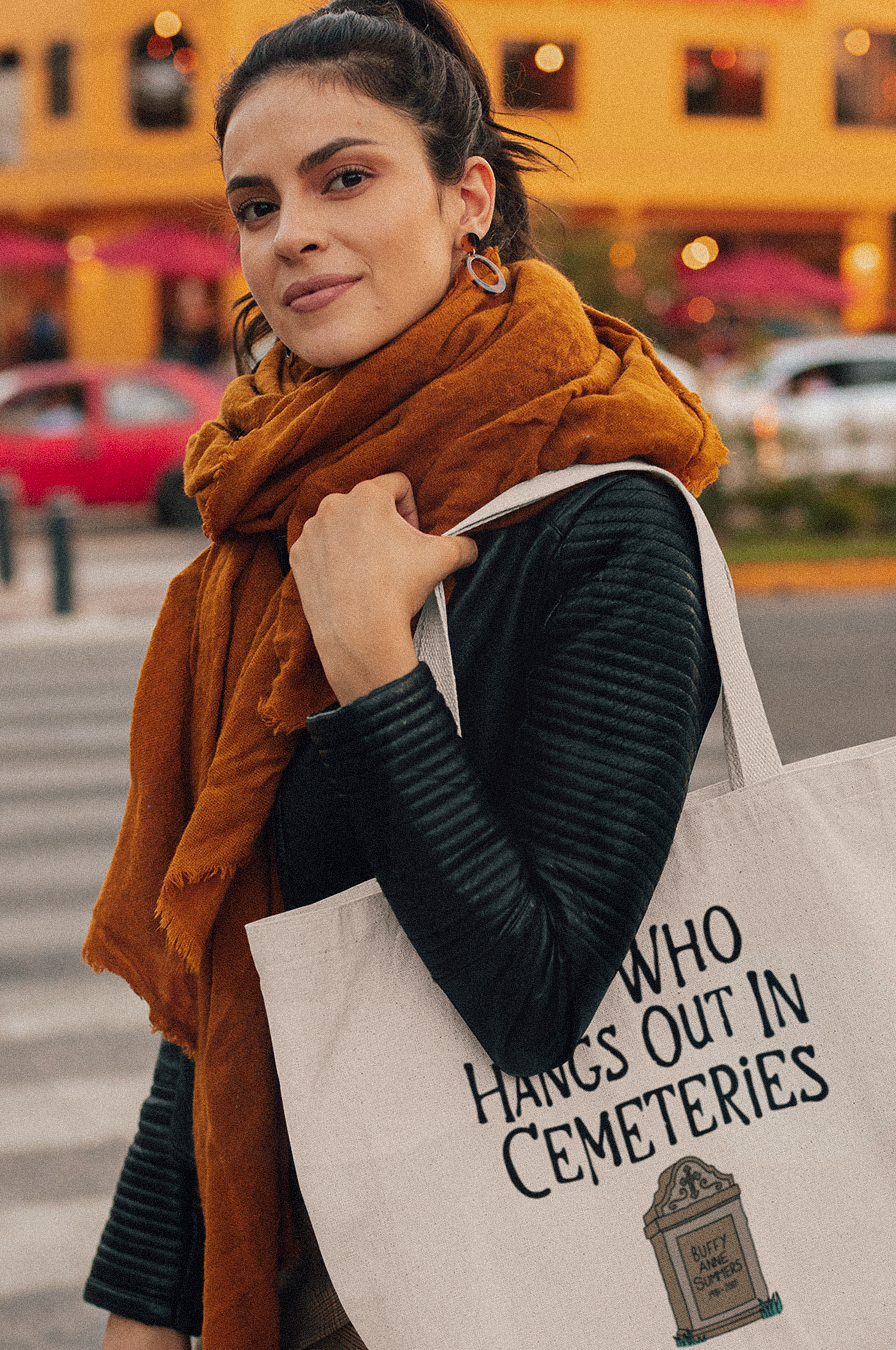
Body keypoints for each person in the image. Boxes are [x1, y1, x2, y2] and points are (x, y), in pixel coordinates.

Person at [81, 1, 727, 1346]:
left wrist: (375, 668)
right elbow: (236, 973)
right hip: (316, 1275)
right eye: (255, 205)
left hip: (534, 1272)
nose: (290, 232)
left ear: (467, 196)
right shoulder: (275, 533)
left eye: (347, 176)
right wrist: (145, 1309)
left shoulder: (601, 521)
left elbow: (539, 992)